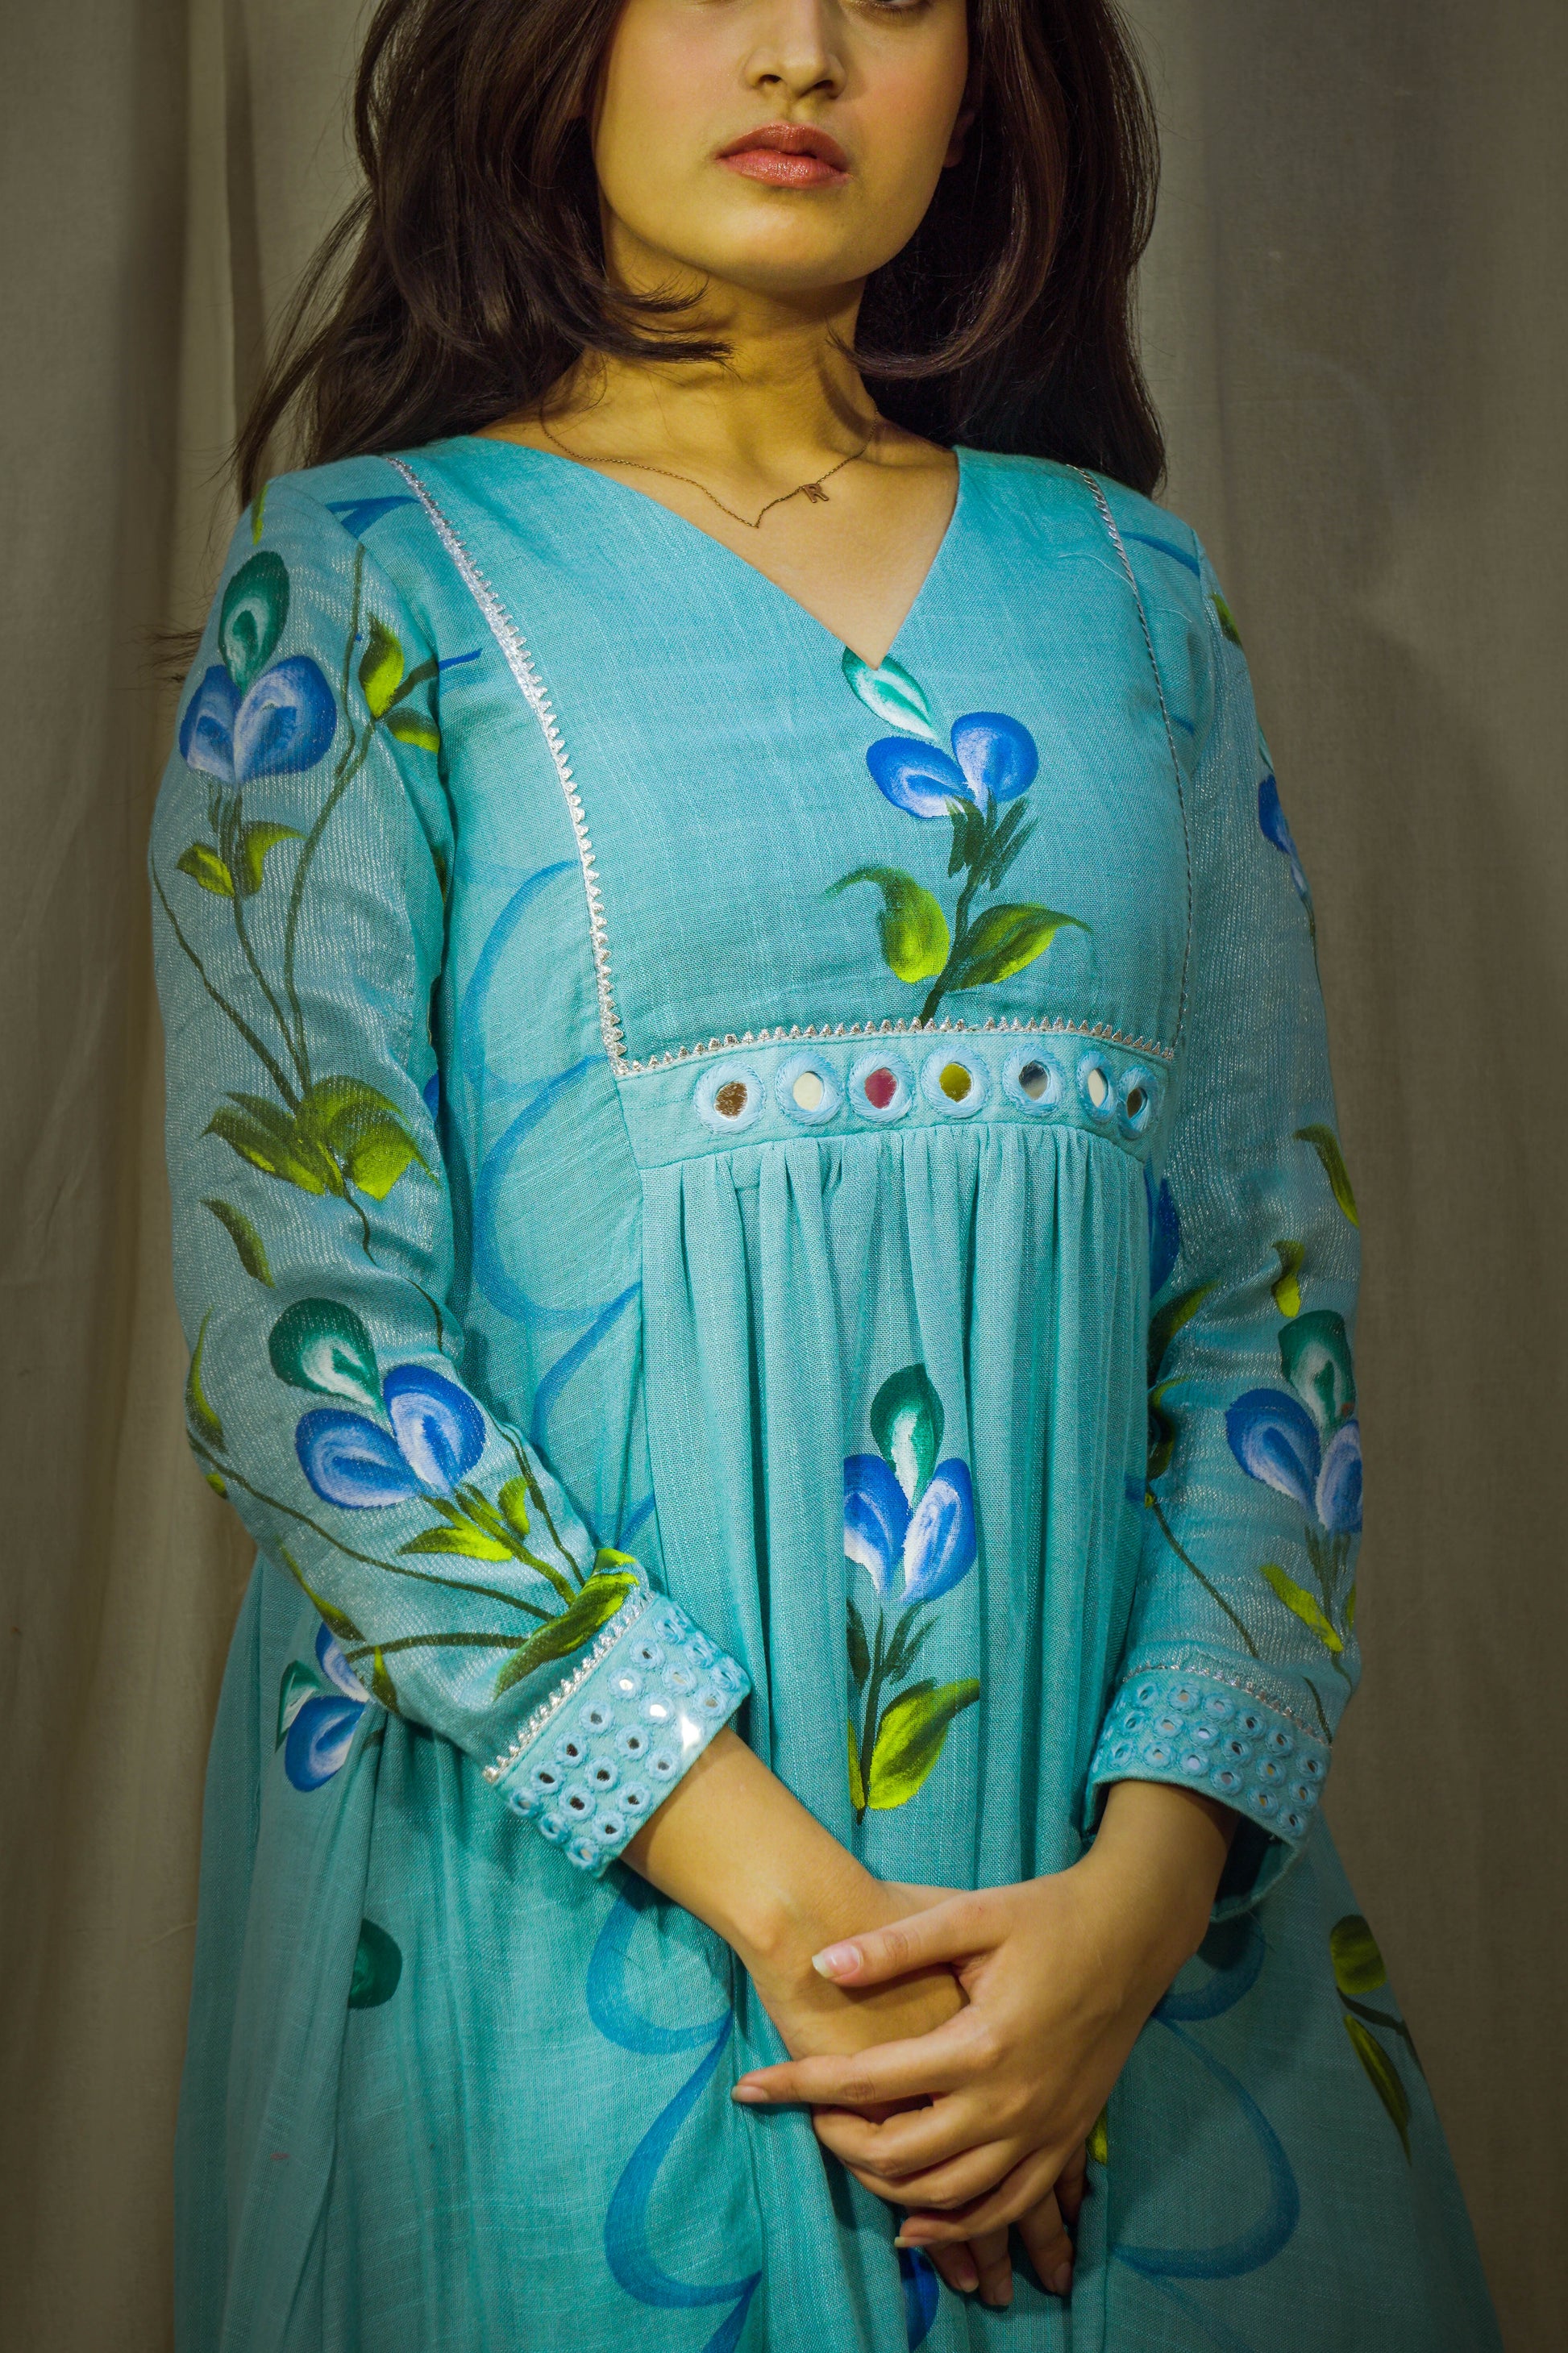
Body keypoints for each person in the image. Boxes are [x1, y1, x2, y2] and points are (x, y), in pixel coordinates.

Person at [152, 2, 1499, 2347]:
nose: (799, 51)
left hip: (1123, 1956)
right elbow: (306, 1336)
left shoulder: (1133, 595)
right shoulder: (365, 581)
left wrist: (1131, 1914)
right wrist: (797, 1916)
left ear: (989, 77)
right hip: (584, 1921)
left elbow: (1266, 1303)